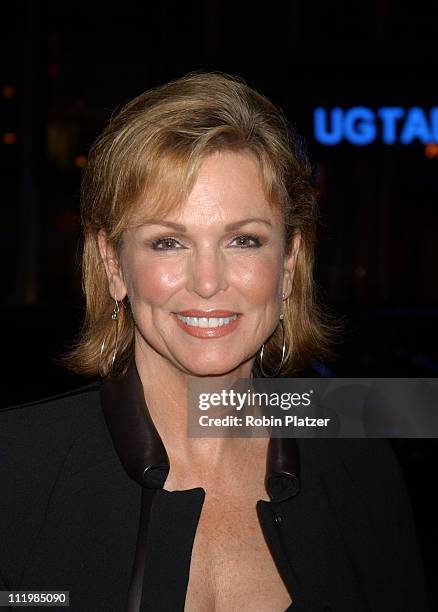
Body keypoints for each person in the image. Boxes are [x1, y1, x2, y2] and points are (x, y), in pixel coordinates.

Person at [0, 72, 429, 612]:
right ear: (114, 265)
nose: (207, 281)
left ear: (289, 263)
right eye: (168, 241)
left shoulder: (361, 464)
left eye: (244, 240)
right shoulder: (15, 468)